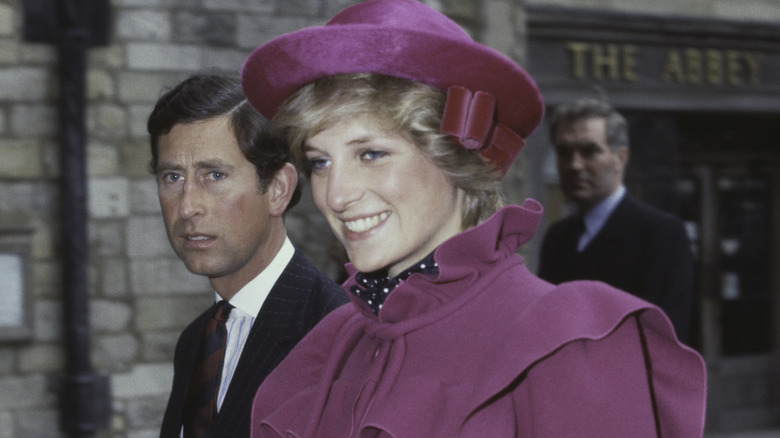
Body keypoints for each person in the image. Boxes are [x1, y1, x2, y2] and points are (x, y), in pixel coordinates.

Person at [240, 0, 707, 436]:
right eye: (319, 161)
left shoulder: (570, 340)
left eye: (371, 153)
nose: (334, 195)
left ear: (456, 159)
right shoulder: (329, 347)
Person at [148, 74, 348, 438]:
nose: (187, 206)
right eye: (173, 177)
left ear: (278, 189)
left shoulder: (339, 335)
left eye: (215, 175)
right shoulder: (196, 340)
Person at [538, 98, 696, 343]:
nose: (574, 165)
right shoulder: (558, 236)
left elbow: (665, 342)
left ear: (620, 158)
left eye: (589, 151)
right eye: (564, 153)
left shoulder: (661, 234)